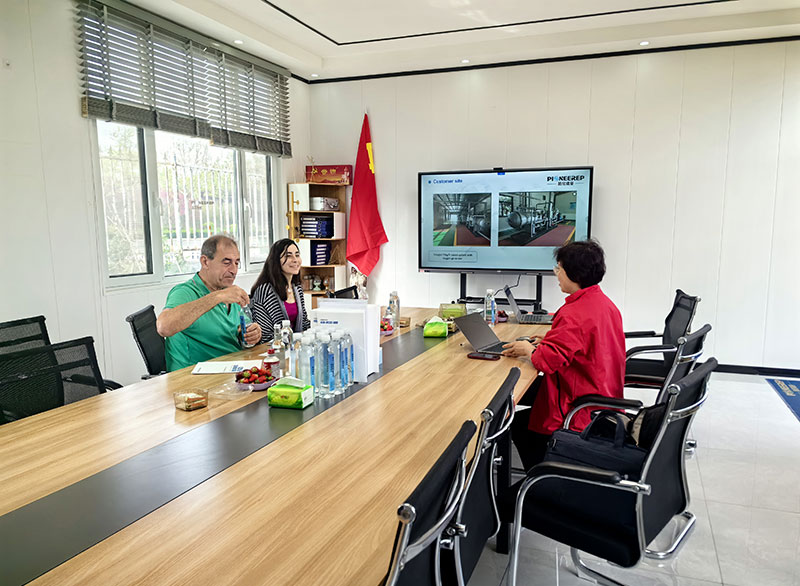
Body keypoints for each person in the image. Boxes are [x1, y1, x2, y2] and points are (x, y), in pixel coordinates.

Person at [501, 239, 625, 470]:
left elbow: (547, 362)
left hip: (577, 407)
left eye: (559, 268)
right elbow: (579, 345)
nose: (556, 274)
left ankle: (542, 476)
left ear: (574, 273)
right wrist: (547, 341)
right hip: (600, 394)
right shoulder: (603, 303)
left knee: (513, 421)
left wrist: (529, 349)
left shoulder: (574, 313)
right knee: (516, 395)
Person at [157, 234, 262, 371]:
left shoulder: (228, 292)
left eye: (236, 263)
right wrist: (217, 297)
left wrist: (250, 335)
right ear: (205, 262)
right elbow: (164, 327)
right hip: (196, 378)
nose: (234, 270)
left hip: (233, 371)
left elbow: (241, 332)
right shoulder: (184, 292)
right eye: (226, 262)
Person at [250, 238, 311, 343]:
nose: (295, 260)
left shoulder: (297, 288)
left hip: (295, 346)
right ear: (276, 261)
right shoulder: (265, 291)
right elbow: (265, 334)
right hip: (273, 348)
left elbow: (304, 323)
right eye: (288, 256)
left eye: (297, 255)